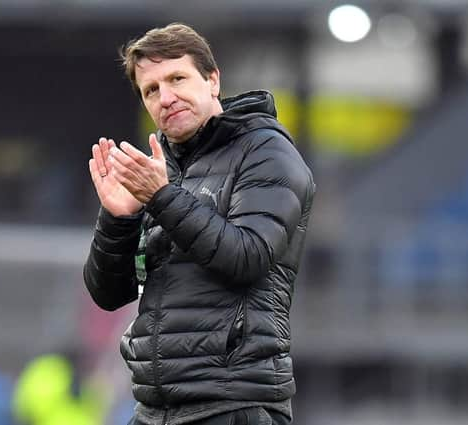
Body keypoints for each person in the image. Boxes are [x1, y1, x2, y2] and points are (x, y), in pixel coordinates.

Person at [83, 23, 315, 425]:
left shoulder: (267, 151)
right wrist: (119, 220)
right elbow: (111, 294)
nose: (166, 97)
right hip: (157, 408)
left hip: (232, 403)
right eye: (151, 90)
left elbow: (247, 257)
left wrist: (162, 197)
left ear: (212, 80)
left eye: (177, 78)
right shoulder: (163, 169)